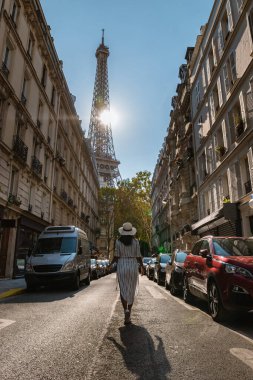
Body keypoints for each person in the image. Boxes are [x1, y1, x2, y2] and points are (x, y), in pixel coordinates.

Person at [110, 222, 144, 325]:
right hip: (133, 266)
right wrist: (142, 267)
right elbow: (138, 256)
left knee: (123, 289)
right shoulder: (136, 242)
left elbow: (116, 256)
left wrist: (109, 265)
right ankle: (129, 311)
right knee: (131, 290)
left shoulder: (118, 242)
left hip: (122, 266)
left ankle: (126, 310)